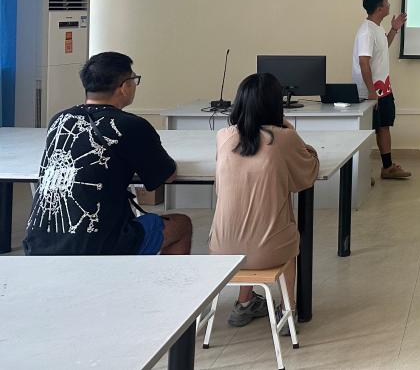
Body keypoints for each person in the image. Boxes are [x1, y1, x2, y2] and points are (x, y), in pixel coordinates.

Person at [23, 52, 192, 256]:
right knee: (181, 225)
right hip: (98, 246)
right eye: (134, 79)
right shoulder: (131, 125)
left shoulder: (59, 120)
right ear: (124, 86)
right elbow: (166, 176)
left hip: (38, 244)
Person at [209, 73, 320, 327]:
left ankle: (244, 303)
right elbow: (308, 172)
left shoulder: (224, 136)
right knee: (286, 235)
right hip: (270, 251)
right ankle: (288, 310)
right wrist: (292, 132)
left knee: (247, 226)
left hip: (222, 250)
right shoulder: (283, 138)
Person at [352, 0, 411, 180]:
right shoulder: (366, 32)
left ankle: (388, 167)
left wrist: (394, 29)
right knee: (367, 131)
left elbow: (383, 45)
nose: (389, 4)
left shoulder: (376, 28)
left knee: (384, 126)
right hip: (370, 92)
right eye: (386, 1)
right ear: (379, 8)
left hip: (382, 89)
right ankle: (360, 176)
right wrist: (371, 92)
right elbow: (363, 62)